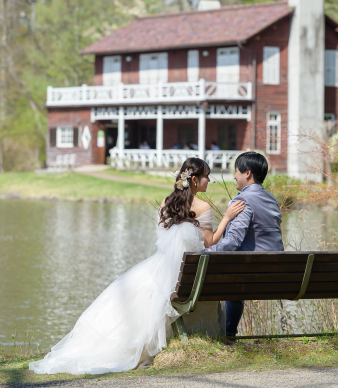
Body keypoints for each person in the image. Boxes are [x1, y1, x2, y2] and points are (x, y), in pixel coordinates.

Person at [29, 157, 244, 375]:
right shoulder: (203, 206)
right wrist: (226, 218)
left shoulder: (166, 202)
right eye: (207, 176)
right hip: (182, 276)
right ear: (195, 180)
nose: (210, 181)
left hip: (159, 266)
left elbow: (161, 238)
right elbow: (209, 242)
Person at [204, 151, 283, 340]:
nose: (234, 176)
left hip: (249, 274)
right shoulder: (272, 199)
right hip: (278, 273)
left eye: (236, 172)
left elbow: (232, 241)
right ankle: (227, 333)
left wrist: (205, 251)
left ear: (247, 173)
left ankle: (227, 334)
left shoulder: (242, 201)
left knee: (225, 278)